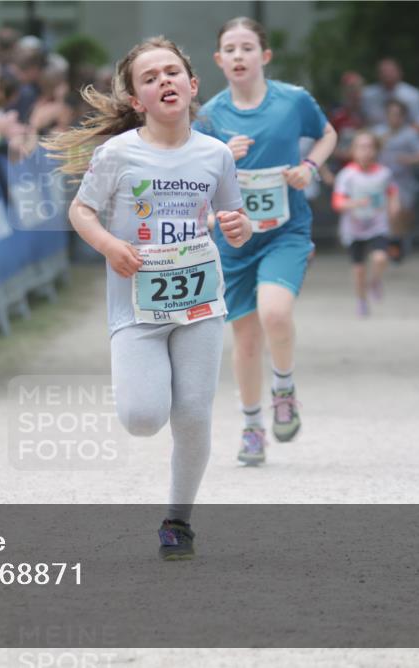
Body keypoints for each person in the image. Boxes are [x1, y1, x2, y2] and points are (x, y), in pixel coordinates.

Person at [44, 36, 251, 560]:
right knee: (142, 417)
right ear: (137, 99)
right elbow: (80, 212)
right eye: (150, 77)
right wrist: (111, 246)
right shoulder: (118, 154)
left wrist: (238, 226)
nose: (164, 81)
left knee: (193, 415)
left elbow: (235, 221)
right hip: (137, 305)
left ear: (192, 84)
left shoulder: (216, 154)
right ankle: (174, 504)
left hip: (201, 301)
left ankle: (178, 520)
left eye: (172, 72)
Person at [193, 17, 337, 465]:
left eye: (247, 47)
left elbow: (328, 134)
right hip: (235, 238)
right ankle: (252, 425)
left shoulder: (293, 101)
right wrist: (222, 157)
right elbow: (197, 178)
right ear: (218, 60)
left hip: (284, 231)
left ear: (264, 56)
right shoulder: (210, 115)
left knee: (275, 312)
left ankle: (284, 388)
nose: (239, 55)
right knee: (245, 337)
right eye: (230, 49)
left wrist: (309, 168)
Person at [332, 130, 399, 317]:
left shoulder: (384, 173)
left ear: (376, 150)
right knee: (359, 269)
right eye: (361, 147)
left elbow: (392, 191)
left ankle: (376, 281)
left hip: (377, 224)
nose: (366, 151)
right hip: (354, 228)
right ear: (353, 151)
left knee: (380, 258)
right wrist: (353, 203)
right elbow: (337, 202)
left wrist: (394, 205)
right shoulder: (346, 175)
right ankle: (361, 300)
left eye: (370, 147)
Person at [374, 99, 419, 262]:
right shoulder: (378, 133)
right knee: (387, 214)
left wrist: (408, 159)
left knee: (403, 214)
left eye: (397, 115)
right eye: (390, 114)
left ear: (403, 116)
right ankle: (390, 247)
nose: (393, 118)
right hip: (381, 182)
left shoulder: (411, 134)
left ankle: (400, 243)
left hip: (403, 182)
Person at [360, 57, 419, 132]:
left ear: (400, 73)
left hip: (404, 136)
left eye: (391, 71)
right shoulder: (367, 94)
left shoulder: (413, 95)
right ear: (377, 74)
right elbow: (362, 120)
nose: (387, 74)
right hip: (374, 138)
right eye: (383, 71)